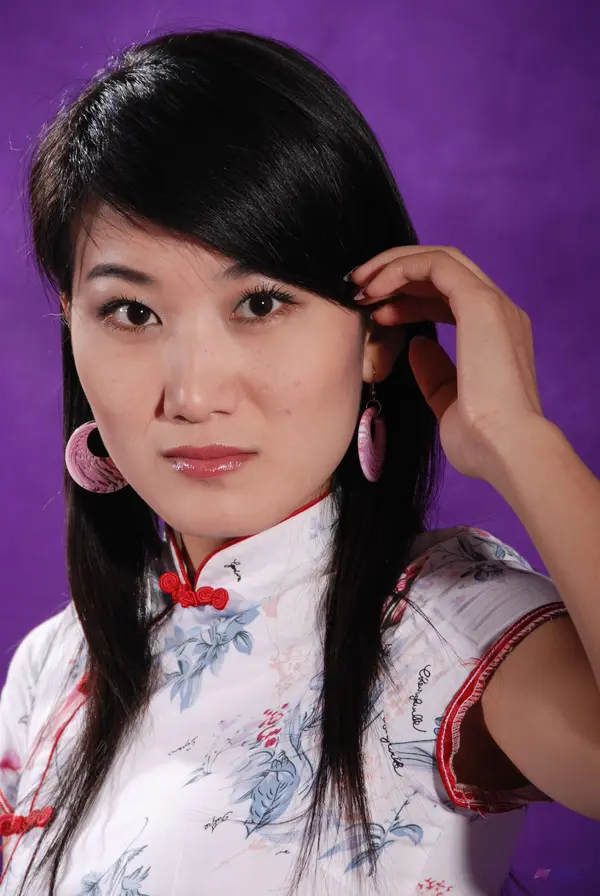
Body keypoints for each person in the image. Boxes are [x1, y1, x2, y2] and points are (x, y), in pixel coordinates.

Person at [0, 26, 598, 896]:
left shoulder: (447, 627)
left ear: (377, 335)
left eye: (260, 303)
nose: (193, 394)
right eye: (131, 313)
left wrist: (521, 440)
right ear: (71, 325)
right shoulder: (54, 668)